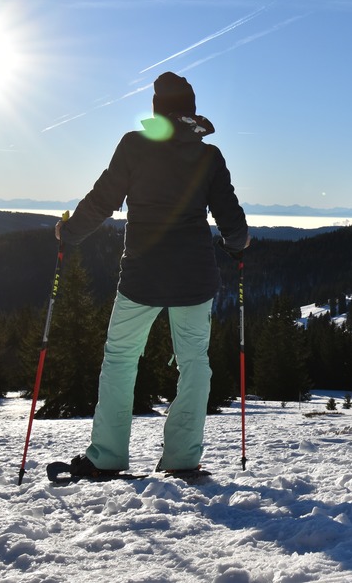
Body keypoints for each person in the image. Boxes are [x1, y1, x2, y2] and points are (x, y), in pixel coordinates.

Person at [55, 71, 250, 476]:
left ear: (157, 109)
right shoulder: (208, 157)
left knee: (121, 361)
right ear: (192, 111)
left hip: (142, 276)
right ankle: (182, 460)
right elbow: (232, 221)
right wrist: (237, 245)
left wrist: (68, 233)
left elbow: (103, 199)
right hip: (195, 278)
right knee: (195, 362)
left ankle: (107, 456)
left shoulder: (134, 146)